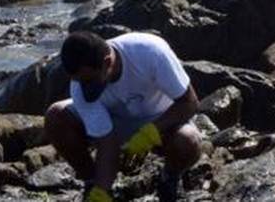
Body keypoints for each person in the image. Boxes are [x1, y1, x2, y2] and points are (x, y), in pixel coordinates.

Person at [44, 31, 201, 202]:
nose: (85, 87)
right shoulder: (81, 84)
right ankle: (92, 184)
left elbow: (190, 102)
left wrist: (150, 133)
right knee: (56, 117)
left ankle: (168, 178)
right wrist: (101, 192)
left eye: (91, 80)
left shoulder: (149, 52)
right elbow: (106, 142)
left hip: (161, 118)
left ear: (108, 62)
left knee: (187, 141)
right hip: (116, 121)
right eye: (80, 82)